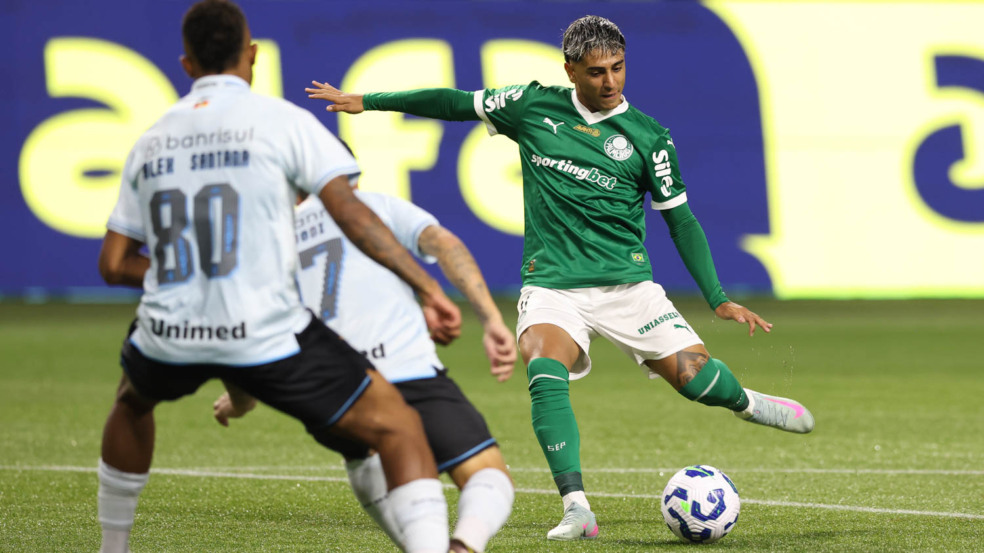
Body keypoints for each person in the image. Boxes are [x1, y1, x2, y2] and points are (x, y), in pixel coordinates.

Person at [305, 14, 815, 542]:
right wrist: (370, 102)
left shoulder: (649, 138)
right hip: (552, 285)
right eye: (596, 72)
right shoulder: (531, 106)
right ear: (570, 70)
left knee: (696, 380)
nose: (610, 82)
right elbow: (454, 102)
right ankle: (576, 507)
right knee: (543, 368)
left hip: (629, 288)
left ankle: (749, 404)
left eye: (618, 68)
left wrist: (718, 297)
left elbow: (680, 220)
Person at [95, 1, 457, 552]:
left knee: (131, 401)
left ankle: (112, 547)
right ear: (253, 56)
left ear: (187, 64)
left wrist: (185, 272)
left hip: (171, 329)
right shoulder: (283, 121)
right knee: (399, 427)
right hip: (264, 330)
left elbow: (115, 264)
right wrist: (429, 286)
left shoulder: (151, 140)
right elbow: (353, 216)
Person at [215, 184, 517, 553]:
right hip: (404, 371)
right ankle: (465, 545)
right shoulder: (373, 206)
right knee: (488, 476)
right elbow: (445, 243)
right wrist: (490, 319)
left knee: (365, 460)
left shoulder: (264, 239)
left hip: (331, 392)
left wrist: (241, 400)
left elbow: (239, 325)